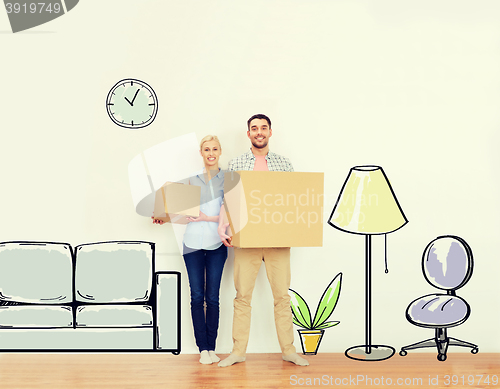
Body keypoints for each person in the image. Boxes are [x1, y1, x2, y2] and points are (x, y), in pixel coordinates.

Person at [217, 114, 309, 367]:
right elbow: (229, 197)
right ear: (248, 134)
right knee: (242, 295)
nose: (259, 132)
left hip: (278, 239)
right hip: (246, 238)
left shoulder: (284, 164)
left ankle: (289, 350)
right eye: (254, 128)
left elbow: (294, 199)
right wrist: (223, 225)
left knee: (282, 296)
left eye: (263, 128)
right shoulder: (236, 162)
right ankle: (238, 352)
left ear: (270, 132)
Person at [153, 135, 227, 365]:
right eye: (206, 149)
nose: (211, 152)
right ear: (201, 153)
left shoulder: (229, 179)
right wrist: (163, 218)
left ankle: (212, 347)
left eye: (214, 148)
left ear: (220, 151)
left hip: (217, 244)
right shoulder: (190, 181)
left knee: (212, 297)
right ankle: (202, 348)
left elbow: (232, 213)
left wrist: (209, 217)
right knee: (196, 296)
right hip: (192, 244)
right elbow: (180, 208)